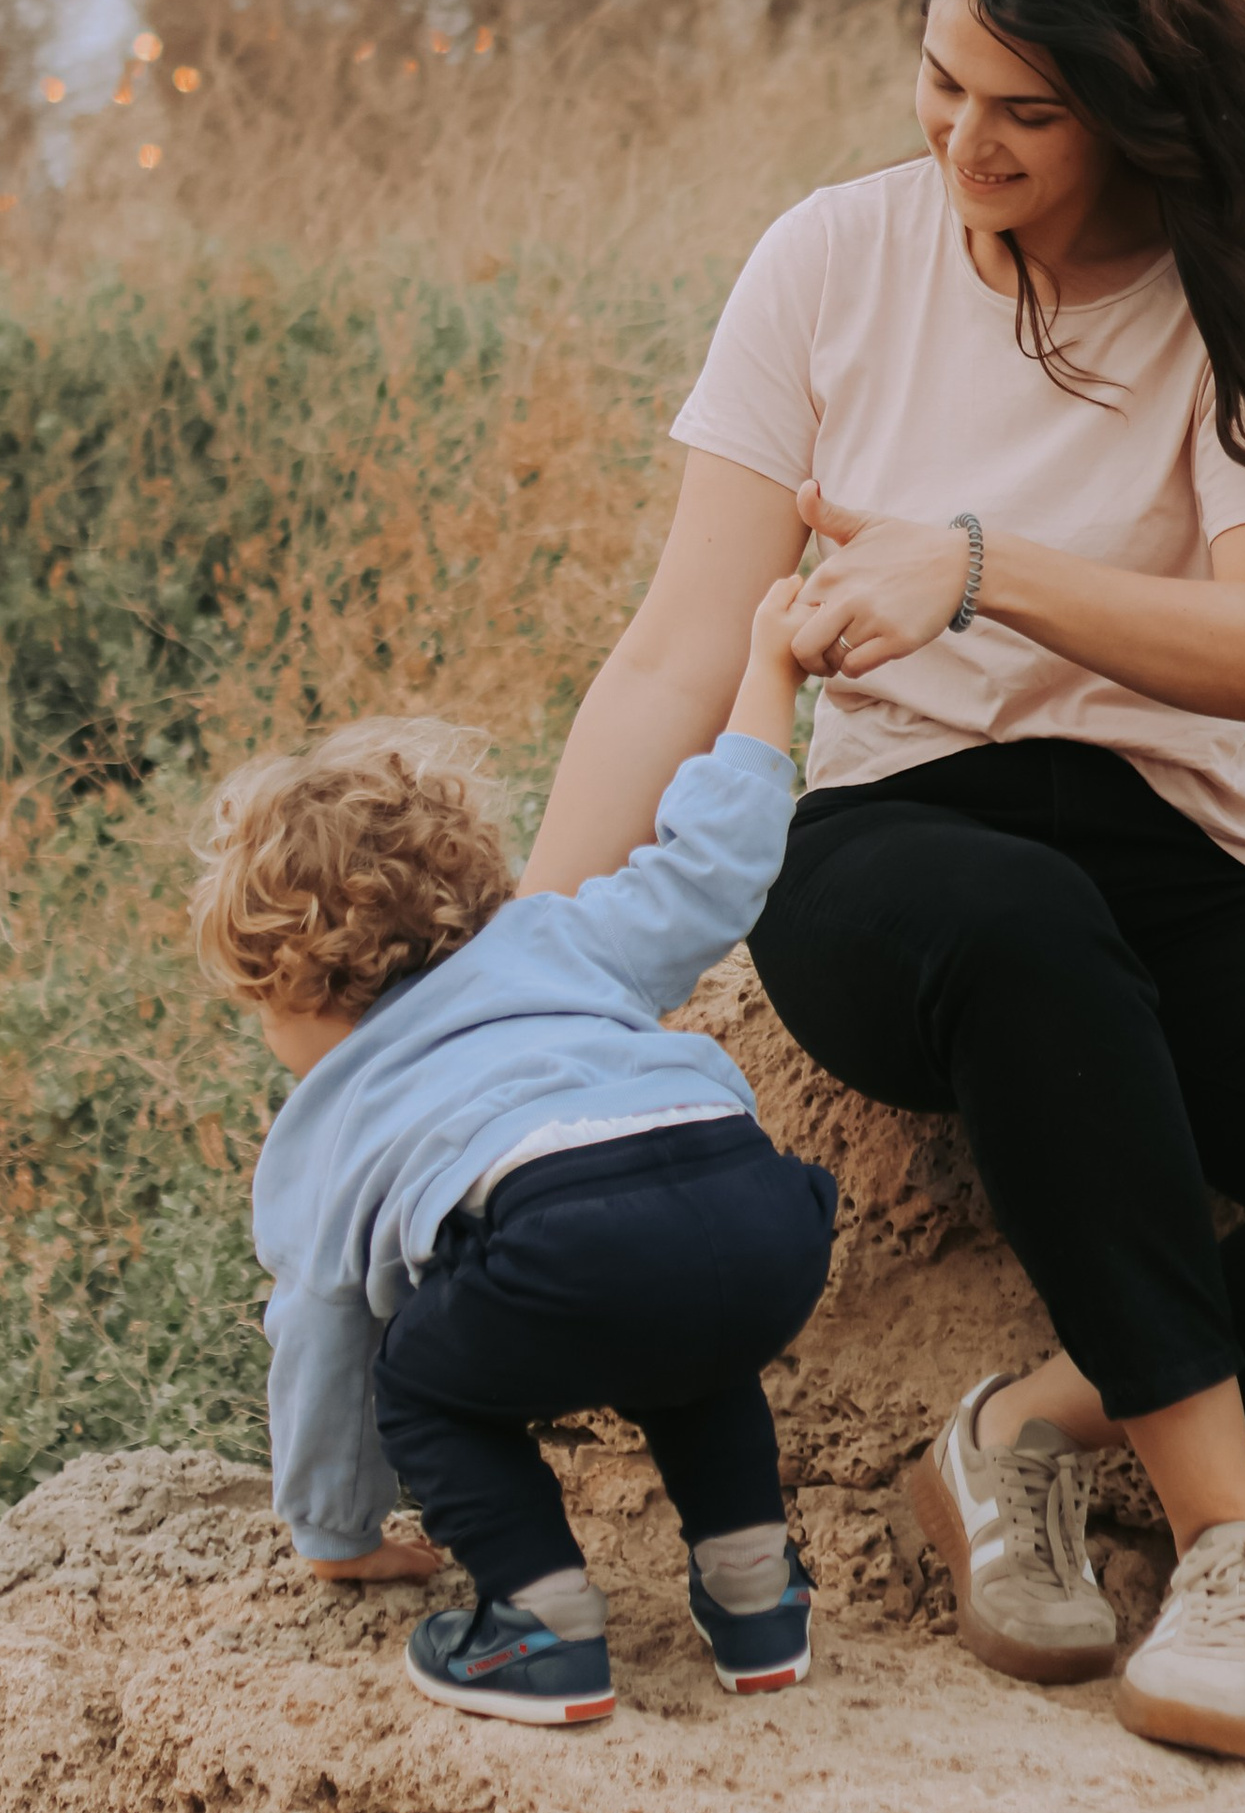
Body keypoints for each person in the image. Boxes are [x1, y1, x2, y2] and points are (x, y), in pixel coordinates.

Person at [524, 0, 1245, 1763]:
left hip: (1203, 865)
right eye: (942, 83)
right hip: (904, 851)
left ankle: (1020, 1432)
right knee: (1021, 929)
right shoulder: (829, 262)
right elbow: (675, 652)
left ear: (1129, 106)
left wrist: (980, 569)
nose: (965, 142)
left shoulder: (1240, 293)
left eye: (1026, 112)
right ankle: (1228, 1539)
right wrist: (530, 966)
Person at [191, 580, 837, 1724]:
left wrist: (335, 1534)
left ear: (294, 985)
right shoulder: (563, 937)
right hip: (758, 1216)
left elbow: (324, 1333)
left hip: (567, 1236)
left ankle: (538, 1625)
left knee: (414, 1377)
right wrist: (769, 677)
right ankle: (755, 1595)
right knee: (687, 1350)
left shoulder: (332, 1112)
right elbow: (715, 865)